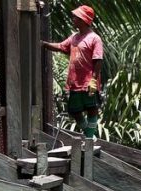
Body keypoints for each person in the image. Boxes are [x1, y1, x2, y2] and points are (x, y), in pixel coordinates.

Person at [42, 5, 103, 138]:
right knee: (74, 110)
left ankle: (89, 139)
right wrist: (44, 44)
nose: (73, 19)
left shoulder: (94, 38)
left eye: (76, 17)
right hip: (75, 82)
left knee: (92, 109)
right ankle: (90, 135)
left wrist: (93, 80)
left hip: (88, 82)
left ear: (83, 19)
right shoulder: (74, 37)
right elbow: (60, 46)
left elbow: (98, 60)